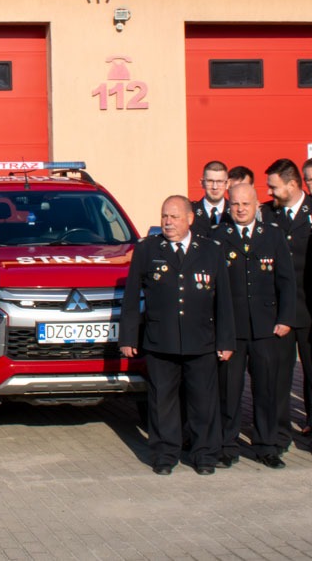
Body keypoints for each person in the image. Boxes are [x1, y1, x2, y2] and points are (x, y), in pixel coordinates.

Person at [120, 196, 235, 475]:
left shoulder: (210, 250)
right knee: (162, 402)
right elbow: (132, 296)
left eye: (174, 217)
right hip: (161, 340)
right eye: (164, 217)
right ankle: (164, 454)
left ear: (190, 219)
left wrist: (225, 340)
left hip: (201, 340)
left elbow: (223, 300)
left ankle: (204, 454)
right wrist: (128, 337)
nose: (168, 223)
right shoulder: (147, 249)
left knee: (203, 402)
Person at [213, 184, 295, 469]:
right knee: (229, 390)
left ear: (257, 205)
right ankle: (226, 445)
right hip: (232, 330)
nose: (240, 209)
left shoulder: (272, 235)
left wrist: (285, 318)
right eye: (235, 204)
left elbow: (286, 280)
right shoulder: (217, 237)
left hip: (266, 328)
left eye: (246, 204)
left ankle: (266, 446)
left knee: (267, 390)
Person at [261, 158, 312, 456]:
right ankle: (279, 435)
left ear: (292, 185)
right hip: (278, 312)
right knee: (278, 376)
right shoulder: (266, 214)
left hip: (311, 309)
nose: (269, 192)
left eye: (274, 187)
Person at [191, 161, 231, 238]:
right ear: (202, 183)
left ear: (227, 184)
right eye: (210, 181)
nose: (215, 187)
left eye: (219, 181)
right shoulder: (190, 211)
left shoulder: (235, 212)